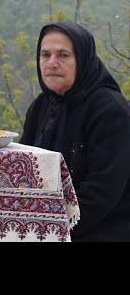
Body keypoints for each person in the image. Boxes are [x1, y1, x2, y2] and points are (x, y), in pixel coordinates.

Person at [19, 21, 130, 241]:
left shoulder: (110, 111)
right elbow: (22, 168)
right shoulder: (42, 106)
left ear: (83, 59)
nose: (51, 63)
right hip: (46, 225)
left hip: (100, 230)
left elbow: (102, 193)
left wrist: (49, 230)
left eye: (63, 55)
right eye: (45, 54)